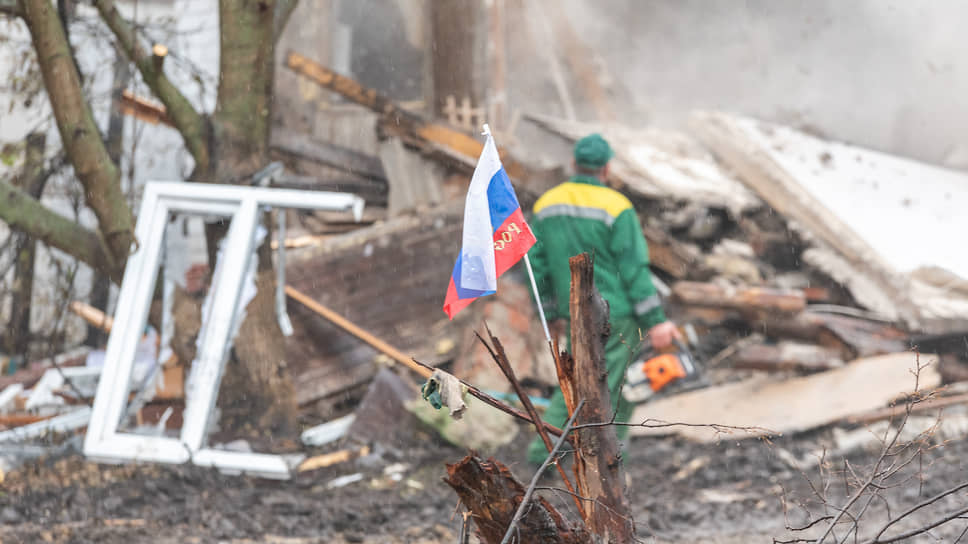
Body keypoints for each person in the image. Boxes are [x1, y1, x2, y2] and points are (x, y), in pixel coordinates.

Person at [526, 133, 681, 466]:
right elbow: (634, 269)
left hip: (574, 310)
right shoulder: (617, 206)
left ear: (574, 164)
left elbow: (535, 264)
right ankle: (552, 456)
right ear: (607, 168)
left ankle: (590, 452)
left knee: (580, 380)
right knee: (616, 385)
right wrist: (656, 321)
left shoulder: (547, 204)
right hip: (617, 314)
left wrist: (550, 310)